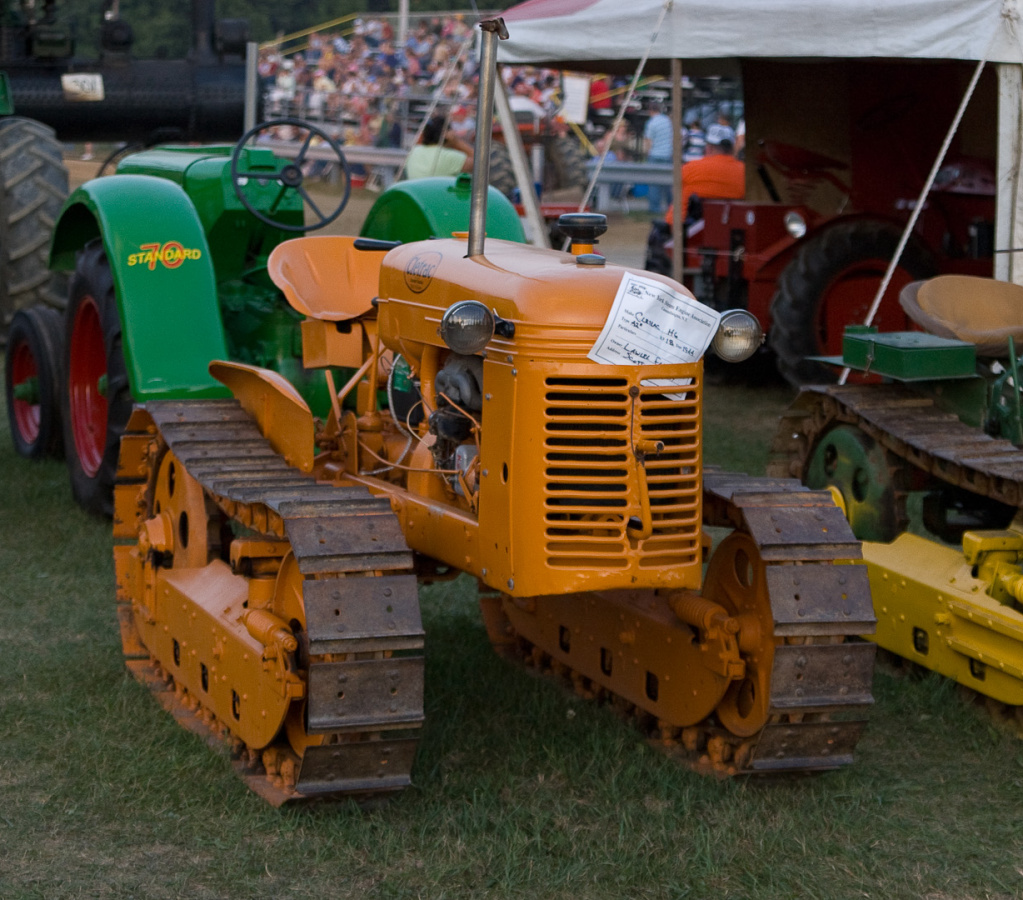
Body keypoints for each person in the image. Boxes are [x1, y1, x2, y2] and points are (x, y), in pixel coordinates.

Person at [666, 121, 745, 224]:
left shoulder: (689, 169)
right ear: (731, 148)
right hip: (730, 229)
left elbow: (675, 196)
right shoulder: (744, 172)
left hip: (688, 232)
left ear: (709, 148)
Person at [405, 114, 474, 179]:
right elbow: (479, 164)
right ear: (446, 133)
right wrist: (457, 142)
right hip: (438, 191)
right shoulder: (449, 156)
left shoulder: (413, 151)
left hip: (414, 191)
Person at [642, 100, 673, 213]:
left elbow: (649, 141)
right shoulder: (667, 121)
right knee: (668, 183)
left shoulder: (651, 123)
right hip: (667, 154)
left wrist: (647, 153)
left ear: (650, 110)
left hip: (655, 154)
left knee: (654, 184)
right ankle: (671, 207)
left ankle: (655, 208)